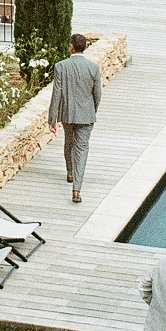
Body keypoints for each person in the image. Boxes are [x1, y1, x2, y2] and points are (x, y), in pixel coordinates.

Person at [49, 33, 102, 204]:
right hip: (86, 115)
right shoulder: (93, 68)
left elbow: (56, 94)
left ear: (71, 46)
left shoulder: (61, 66)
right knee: (82, 149)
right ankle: (77, 189)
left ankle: (70, 173)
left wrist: (53, 119)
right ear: (85, 47)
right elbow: (97, 95)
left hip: (67, 114)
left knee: (69, 143)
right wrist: (92, 111)